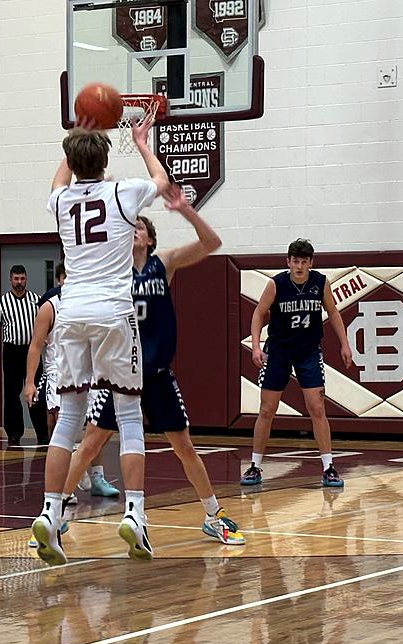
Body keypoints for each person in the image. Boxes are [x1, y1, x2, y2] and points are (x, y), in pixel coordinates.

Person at [63, 188, 245, 545]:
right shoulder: (110, 270)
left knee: (184, 446)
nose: (134, 229)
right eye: (130, 225)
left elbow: (212, 241)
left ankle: (213, 514)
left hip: (156, 373)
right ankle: (54, 512)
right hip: (117, 373)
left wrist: (186, 210)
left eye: (140, 226)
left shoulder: (164, 263)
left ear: (148, 238)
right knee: (89, 445)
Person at [30, 115, 170, 565]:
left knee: (69, 416)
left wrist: (72, 144)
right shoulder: (122, 191)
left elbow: (58, 176)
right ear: (106, 160)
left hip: (70, 312)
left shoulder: (59, 200)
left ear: (70, 161)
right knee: (129, 415)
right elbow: (161, 180)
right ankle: (134, 514)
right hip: (112, 310)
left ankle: (50, 514)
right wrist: (141, 141)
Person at [239, 238, 353, 489]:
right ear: (288, 262)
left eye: (304, 261)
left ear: (311, 263)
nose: (299, 266)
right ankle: (255, 466)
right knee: (267, 409)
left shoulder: (320, 283)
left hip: (308, 351)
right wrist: (256, 346)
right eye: (295, 261)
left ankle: (328, 467)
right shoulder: (276, 284)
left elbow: (333, 312)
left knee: (317, 407)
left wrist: (345, 343)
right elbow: (259, 313)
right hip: (279, 351)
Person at [24, 263, 120, 499]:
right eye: (69, 277)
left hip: (93, 370)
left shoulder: (94, 301)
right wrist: (29, 382)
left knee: (95, 425)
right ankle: (64, 486)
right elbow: (35, 345)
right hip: (61, 370)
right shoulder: (49, 306)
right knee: (61, 425)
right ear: (60, 280)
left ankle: (97, 476)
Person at [0, 265, 48, 445]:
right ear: (10, 280)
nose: (19, 282)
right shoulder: (1, 302)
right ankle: (14, 434)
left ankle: (42, 433)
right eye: (16, 279)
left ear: (26, 279)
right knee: (11, 395)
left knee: (36, 392)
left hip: (31, 351)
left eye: (22, 278)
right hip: (11, 351)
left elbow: (44, 324)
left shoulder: (36, 300)